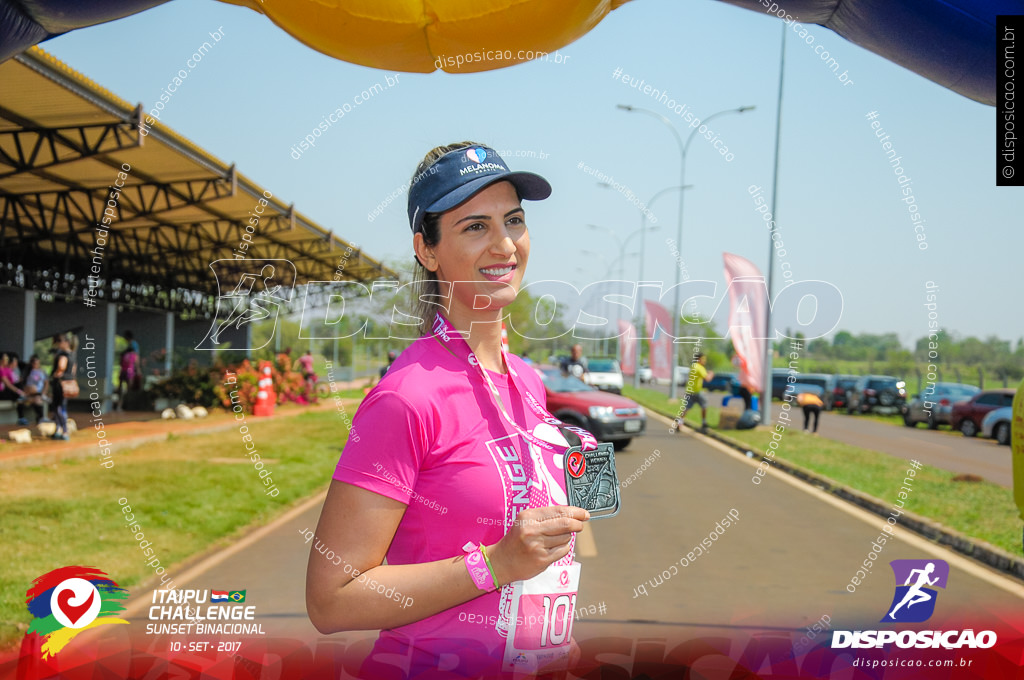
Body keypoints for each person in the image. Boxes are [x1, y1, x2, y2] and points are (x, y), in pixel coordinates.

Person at [305, 142, 593, 679]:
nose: (505, 244)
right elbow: (330, 600)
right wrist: (497, 563)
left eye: (514, 219)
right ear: (427, 249)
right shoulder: (407, 397)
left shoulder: (527, 381)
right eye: (475, 227)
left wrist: (546, 644)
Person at [673, 352, 713, 433]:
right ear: (699, 359)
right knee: (704, 405)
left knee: (686, 408)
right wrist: (711, 373)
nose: (704, 361)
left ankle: (679, 423)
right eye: (703, 359)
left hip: (689, 391)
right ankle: (704, 422)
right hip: (697, 391)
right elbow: (708, 379)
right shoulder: (700, 367)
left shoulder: (692, 366)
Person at [49, 334, 75, 440]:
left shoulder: (63, 355)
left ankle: (64, 430)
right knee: (63, 406)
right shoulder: (72, 355)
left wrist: (55, 375)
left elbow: (61, 367)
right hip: (68, 383)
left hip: (60, 383)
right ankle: (59, 429)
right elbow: (73, 370)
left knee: (58, 407)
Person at [17, 355, 47, 425]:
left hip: (37, 394)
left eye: (37, 363)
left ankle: (40, 418)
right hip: (28, 393)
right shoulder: (27, 371)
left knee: (37, 399)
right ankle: (22, 418)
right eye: (33, 363)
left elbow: (46, 383)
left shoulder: (42, 371)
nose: (35, 365)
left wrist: (44, 393)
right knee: (30, 399)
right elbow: (22, 382)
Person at [117, 332, 140, 411]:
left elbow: (121, 363)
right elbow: (136, 361)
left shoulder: (127, 352)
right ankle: (124, 405)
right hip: (128, 371)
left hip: (125, 371)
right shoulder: (131, 353)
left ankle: (122, 405)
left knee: (123, 389)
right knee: (126, 389)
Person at [0, 353, 26, 419]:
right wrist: (19, 391)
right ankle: (21, 417)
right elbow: (8, 384)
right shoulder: (1, 370)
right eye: (6, 359)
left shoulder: (5, 369)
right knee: (19, 396)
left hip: (6, 391)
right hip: (2, 392)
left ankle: (21, 417)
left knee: (20, 397)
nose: (7, 360)